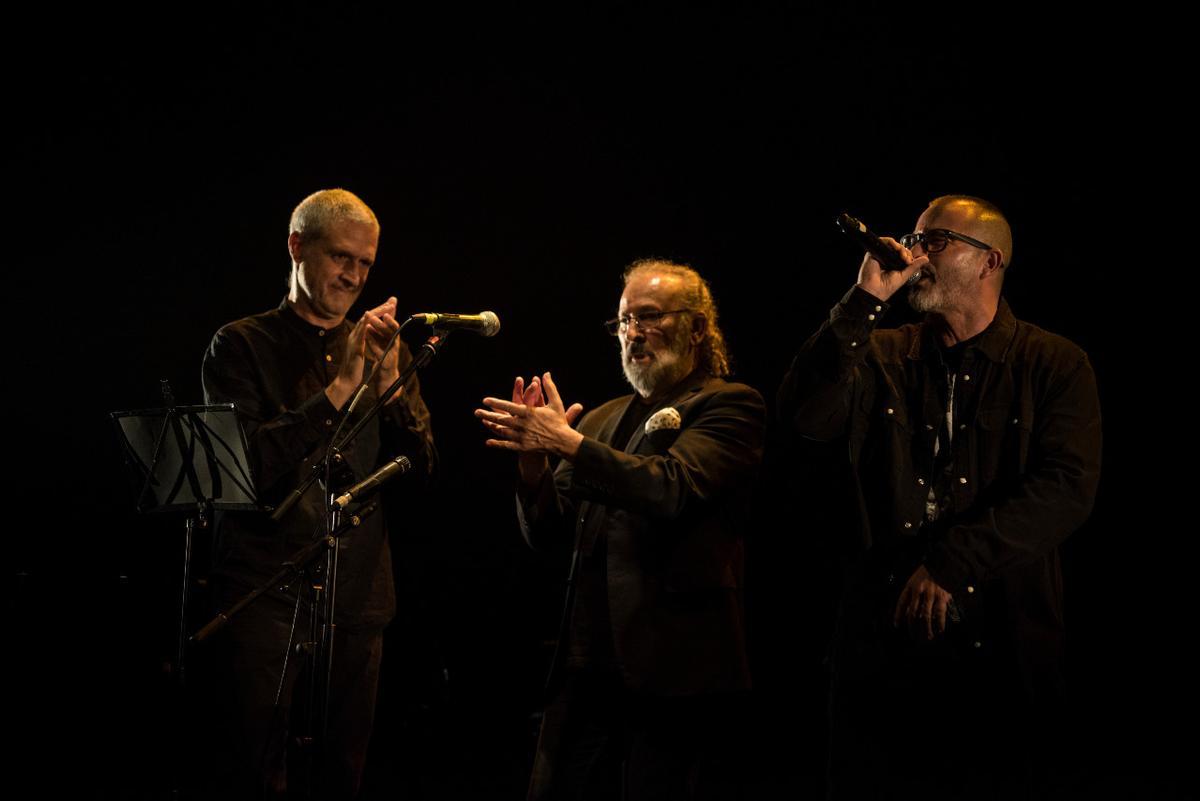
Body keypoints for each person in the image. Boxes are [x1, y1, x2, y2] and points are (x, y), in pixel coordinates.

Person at [777, 195, 1101, 799]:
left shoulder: (1053, 363)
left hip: (1000, 651)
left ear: (990, 260)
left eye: (937, 241)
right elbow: (806, 417)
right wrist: (864, 300)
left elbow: (1066, 488)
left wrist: (952, 562)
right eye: (915, 238)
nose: (916, 253)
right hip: (883, 649)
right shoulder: (882, 354)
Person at [476, 259, 765, 800]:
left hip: (672, 667)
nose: (633, 333)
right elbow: (549, 534)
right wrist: (535, 465)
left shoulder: (729, 404)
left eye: (649, 317)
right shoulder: (603, 418)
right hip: (587, 664)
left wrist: (567, 444)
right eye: (624, 322)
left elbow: (671, 488)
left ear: (697, 328)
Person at [201, 188, 435, 799]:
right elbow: (244, 468)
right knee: (254, 766)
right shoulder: (240, 344)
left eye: (365, 264)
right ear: (296, 246)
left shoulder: (387, 347)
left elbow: (425, 467)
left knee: (341, 771)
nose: (354, 276)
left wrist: (390, 388)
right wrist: (339, 390)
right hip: (263, 587)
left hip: (357, 593)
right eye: (341, 258)